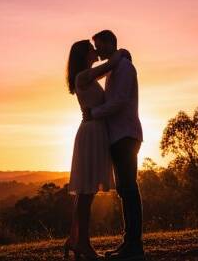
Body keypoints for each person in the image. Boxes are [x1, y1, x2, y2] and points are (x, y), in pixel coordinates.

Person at [64, 39, 129, 260]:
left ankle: (77, 241)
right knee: (86, 193)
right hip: (91, 133)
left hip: (96, 132)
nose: (95, 51)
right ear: (84, 55)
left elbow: (105, 71)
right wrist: (120, 53)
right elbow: (108, 67)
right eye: (92, 49)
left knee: (86, 193)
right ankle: (82, 243)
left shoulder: (88, 76)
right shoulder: (82, 77)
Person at [83, 30, 144, 261]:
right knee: (125, 190)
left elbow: (119, 102)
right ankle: (129, 243)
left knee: (128, 189)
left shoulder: (125, 69)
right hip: (118, 136)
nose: (97, 51)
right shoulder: (114, 67)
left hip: (126, 135)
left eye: (99, 46)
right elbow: (89, 77)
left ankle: (134, 246)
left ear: (110, 43)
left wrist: (93, 114)